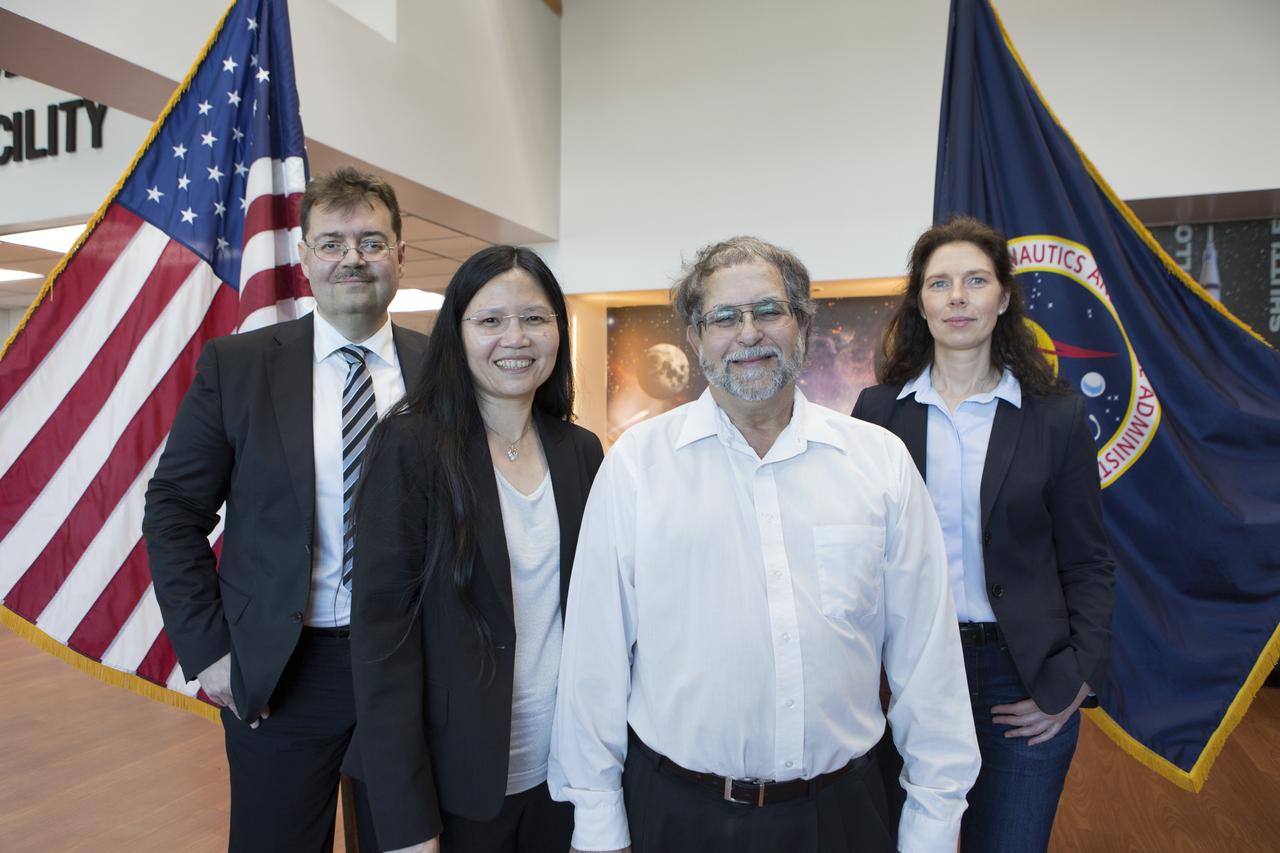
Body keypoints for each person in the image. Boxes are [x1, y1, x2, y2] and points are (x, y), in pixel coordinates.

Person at [549, 236, 980, 853]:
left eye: (768, 311)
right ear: (695, 340)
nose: (747, 333)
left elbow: (928, 662)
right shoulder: (637, 468)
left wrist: (933, 826)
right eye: (723, 317)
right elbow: (594, 658)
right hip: (679, 815)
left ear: (802, 323)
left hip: (844, 815)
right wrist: (596, 825)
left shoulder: (878, 463)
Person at [143, 167, 427, 852]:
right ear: (303, 258)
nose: (351, 258)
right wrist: (209, 651)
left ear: (399, 255)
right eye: (331, 243)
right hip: (282, 669)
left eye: (370, 241)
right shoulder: (238, 366)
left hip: (411, 663)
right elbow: (173, 508)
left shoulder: (442, 366)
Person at [852, 215, 1115, 853]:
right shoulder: (876, 415)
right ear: (920, 302)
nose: (958, 297)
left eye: (975, 280)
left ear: (1002, 298)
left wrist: (1072, 681)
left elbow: (1088, 564)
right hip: (902, 670)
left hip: (1018, 677)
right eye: (940, 283)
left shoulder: (1055, 417)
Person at [348, 246, 605, 853]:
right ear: (457, 334)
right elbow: (383, 648)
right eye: (490, 320)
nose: (515, 337)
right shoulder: (410, 446)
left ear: (558, 333)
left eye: (536, 319)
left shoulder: (582, 452)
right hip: (449, 788)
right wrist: (411, 828)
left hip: (562, 778)